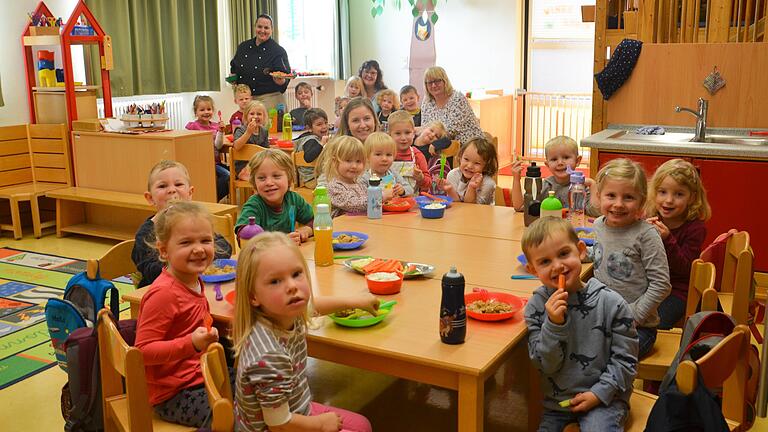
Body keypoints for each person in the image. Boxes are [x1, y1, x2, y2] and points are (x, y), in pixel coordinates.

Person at [232, 232, 376, 432]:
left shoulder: (284, 311)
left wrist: (355, 301)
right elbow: (278, 424)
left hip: (296, 409)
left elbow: (314, 306)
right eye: (275, 281)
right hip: (281, 425)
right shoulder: (269, 356)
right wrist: (320, 424)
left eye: (296, 274)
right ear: (253, 297)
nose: (291, 286)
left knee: (362, 425)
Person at [523, 217, 638, 432]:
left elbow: (626, 361)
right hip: (558, 405)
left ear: (581, 251)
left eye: (564, 254)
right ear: (532, 270)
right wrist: (554, 325)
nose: (557, 266)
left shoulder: (612, 304)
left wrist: (599, 394)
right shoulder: (536, 307)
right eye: (545, 262)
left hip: (606, 399)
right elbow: (545, 365)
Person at [134, 202, 229, 427]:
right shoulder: (165, 294)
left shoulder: (193, 278)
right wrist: (192, 344)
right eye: (186, 242)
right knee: (233, 415)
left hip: (199, 374)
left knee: (256, 383)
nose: (198, 249)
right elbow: (142, 351)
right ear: (164, 250)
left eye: (205, 241)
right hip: (174, 393)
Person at [592, 158, 671, 358]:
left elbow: (661, 284)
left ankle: (604, 390)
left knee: (598, 358)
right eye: (611, 195)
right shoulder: (599, 225)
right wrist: (582, 255)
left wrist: (632, 316)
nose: (618, 204)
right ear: (599, 196)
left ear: (642, 202)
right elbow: (605, 255)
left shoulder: (646, 235)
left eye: (628, 197)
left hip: (638, 328)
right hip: (601, 319)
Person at [132, 161, 232, 288]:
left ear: (190, 193)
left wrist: (197, 260)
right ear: (150, 198)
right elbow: (150, 271)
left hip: (197, 287)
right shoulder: (146, 233)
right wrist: (184, 263)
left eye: (178, 184)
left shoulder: (195, 223)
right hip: (162, 293)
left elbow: (224, 247)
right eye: (162, 186)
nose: (172, 190)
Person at [645, 159, 711, 329]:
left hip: (678, 291)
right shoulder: (651, 219)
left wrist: (667, 239)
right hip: (650, 285)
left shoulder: (695, 228)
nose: (668, 200)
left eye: (679, 194)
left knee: (654, 324)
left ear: (692, 198)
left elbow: (685, 268)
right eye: (662, 192)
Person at [236, 149, 313, 245]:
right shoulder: (254, 205)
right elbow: (242, 237)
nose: (269, 183)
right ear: (254, 183)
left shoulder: (294, 199)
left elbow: (317, 220)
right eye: (261, 178)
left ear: (289, 179)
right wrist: (279, 241)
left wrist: (307, 229)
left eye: (276, 176)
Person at [511, 136, 599, 213]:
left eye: (566, 157)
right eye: (554, 159)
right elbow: (520, 207)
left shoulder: (582, 187)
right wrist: (516, 179)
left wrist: (592, 184)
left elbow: (596, 212)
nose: (560, 162)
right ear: (547, 165)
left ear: (578, 161)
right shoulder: (545, 186)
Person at [230, 14, 291, 111]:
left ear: (271, 30)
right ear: (255, 27)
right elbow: (234, 68)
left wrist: (280, 81)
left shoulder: (278, 51)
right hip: (247, 100)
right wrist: (233, 78)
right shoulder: (243, 47)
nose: (262, 30)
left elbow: (286, 77)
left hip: (270, 99)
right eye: (259, 27)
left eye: (266, 28)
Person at [421, 66, 483, 146]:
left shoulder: (457, 98)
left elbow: (450, 131)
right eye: (429, 82)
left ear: (445, 81)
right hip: (440, 145)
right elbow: (425, 127)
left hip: (468, 146)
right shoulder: (427, 101)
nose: (433, 85)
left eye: (437, 81)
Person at [184, 95, 229, 202]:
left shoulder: (215, 126)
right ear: (196, 112)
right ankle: (212, 200)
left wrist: (221, 132)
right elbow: (187, 144)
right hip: (201, 162)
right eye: (202, 110)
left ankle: (212, 198)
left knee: (232, 176)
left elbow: (218, 146)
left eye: (209, 109)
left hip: (215, 163)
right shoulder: (192, 127)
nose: (206, 112)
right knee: (227, 175)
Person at [439, 137, 498, 205]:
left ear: (486, 166)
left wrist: (471, 188)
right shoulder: (453, 175)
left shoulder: (488, 184)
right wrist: (450, 189)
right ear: (460, 157)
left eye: (477, 163)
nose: (469, 166)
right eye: (466, 159)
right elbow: (456, 205)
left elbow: (473, 209)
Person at [388, 110, 431, 193]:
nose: (403, 138)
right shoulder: (385, 154)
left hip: (412, 202)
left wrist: (421, 178)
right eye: (398, 133)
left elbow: (428, 184)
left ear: (413, 133)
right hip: (389, 202)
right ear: (390, 135)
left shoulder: (417, 155)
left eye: (407, 133)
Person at [324, 136, 368, 217]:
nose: (354, 166)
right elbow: (353, 205)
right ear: (335, 162)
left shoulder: (360, 184)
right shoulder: (334, 187)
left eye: (358, 161)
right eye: (348, 160)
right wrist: (378, 198)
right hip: (340, 227)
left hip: (359, 224)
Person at [360, 132, 413, 198]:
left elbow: (410, 189)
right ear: (367, 157)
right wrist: (382, 196)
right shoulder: (365, 178)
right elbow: (363, 199)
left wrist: (402, 191)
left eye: (388, 155)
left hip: (396, 206)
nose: (384, 159)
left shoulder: (392, 173)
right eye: (378, 154)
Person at [233, 100, 270, 180]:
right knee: (260, 178)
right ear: (246, 116)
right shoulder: (241, 130)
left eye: (259, 114)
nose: (255, 116)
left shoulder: (263, 131)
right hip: (243, 167)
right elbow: (236, 146)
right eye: (252, 114)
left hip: (260, 164)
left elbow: (266, 150)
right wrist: (248, 132)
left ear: (264, 117)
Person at [293, 108, 330, 186]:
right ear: (309, 128)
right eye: (319, 124)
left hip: (315, 177)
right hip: (312, 179)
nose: (324, 126)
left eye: (326, 123)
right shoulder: (310, 140)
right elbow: (308, 157)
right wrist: (321, 143)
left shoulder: (308, 138)